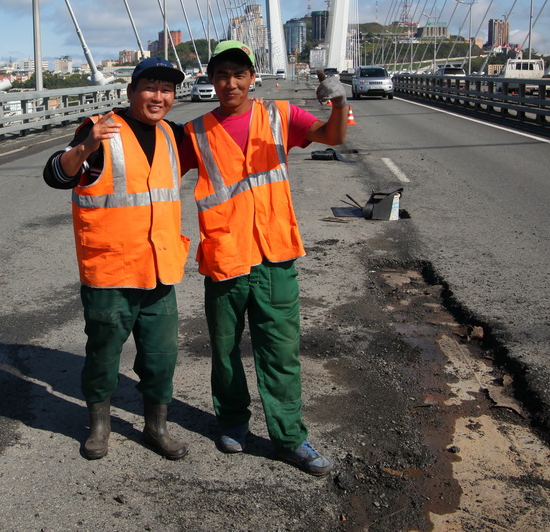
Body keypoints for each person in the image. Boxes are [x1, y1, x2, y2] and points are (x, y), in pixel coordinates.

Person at [183, 40, 348, 476]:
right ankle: (234, 422)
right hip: (224, 257)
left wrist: (339, 101)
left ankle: (290, 438)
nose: (230, 83)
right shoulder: (196, 132)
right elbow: (154, 166)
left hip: (274, 256)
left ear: (253, 78)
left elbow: (332, 137)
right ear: (211, 80)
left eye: (239, 74)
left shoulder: (279, 115)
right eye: (221, 75)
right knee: (223, 350)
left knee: (279, 351)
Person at [43, 56, 191, 461]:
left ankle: (156, 426)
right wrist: (86, 146)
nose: (158, 97)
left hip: (160, 269)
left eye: (167, 89)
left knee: (162, 358)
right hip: (110, 272)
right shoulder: (99, 130)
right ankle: (99, 426)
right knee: (104, 354)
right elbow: (56, 174)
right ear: (130, 91)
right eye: (150, 87)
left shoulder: (172, 136)